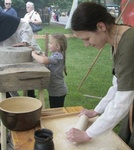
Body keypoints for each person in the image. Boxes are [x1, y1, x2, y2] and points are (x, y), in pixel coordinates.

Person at [66, 2, 134, 149]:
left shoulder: (129, 44)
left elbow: (123, 99)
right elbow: (117, 85)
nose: (86, 44)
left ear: (101, 27)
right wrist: (97, 110)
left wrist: (87, 134)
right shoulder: (117, 39)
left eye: (86, 38)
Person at [0, 9, 41, 98]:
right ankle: (10, 99)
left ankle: (30, 97)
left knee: (27, 76)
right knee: (5, 78)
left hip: (21, 51)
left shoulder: (2, 18)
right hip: (4, 57)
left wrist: (25, 41)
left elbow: (24, 26)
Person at [31, 33, 68, 108]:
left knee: (56, 111)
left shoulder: (58, 56)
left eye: (51, 43)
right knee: (55, 109)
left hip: (58, 91)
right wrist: (39, 54)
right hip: (55, 90)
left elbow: (44, 60)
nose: (48, 45)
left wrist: (33, 54)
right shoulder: (56, 54)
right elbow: (45, 58)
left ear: (58, 46)